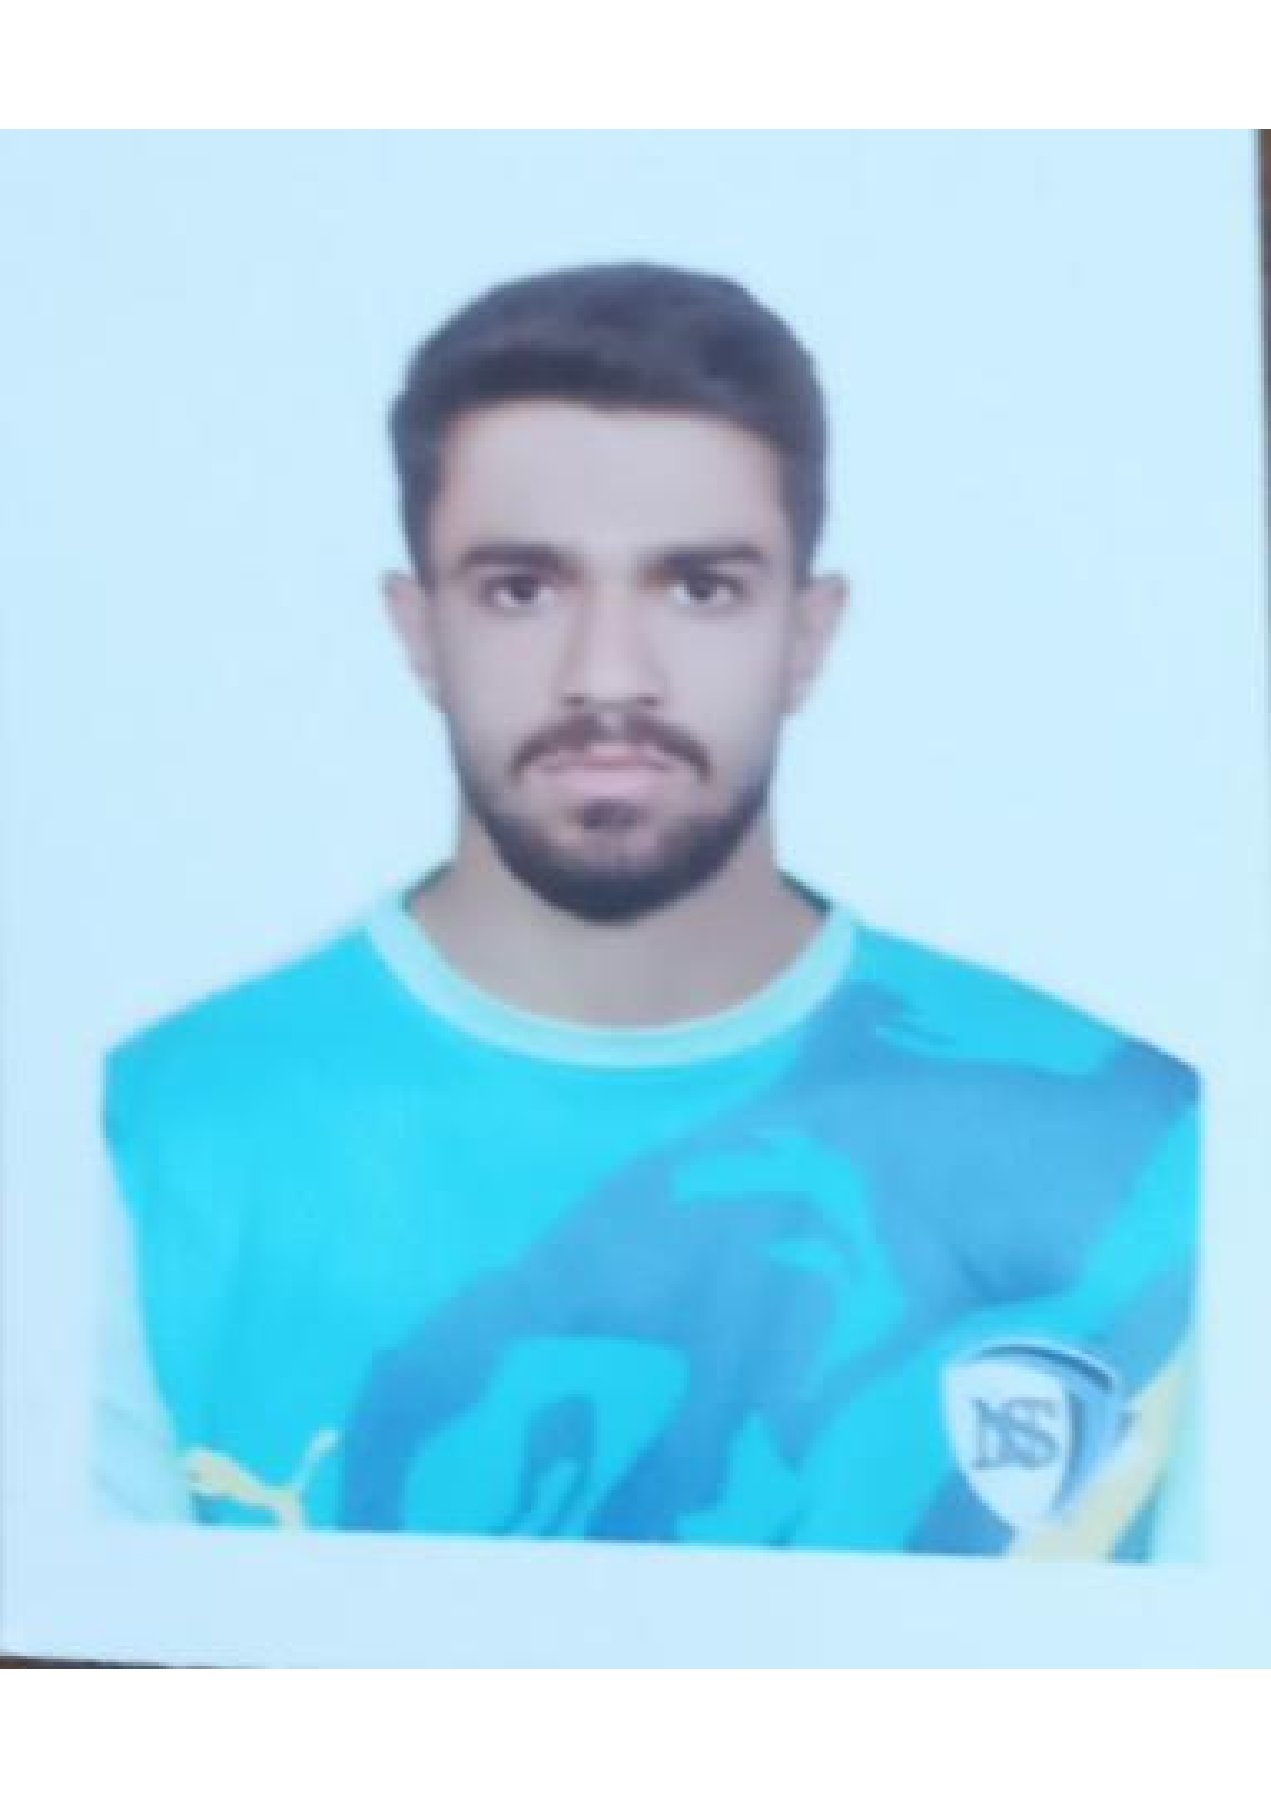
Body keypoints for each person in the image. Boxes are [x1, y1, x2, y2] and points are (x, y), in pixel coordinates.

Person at [96, 263, 1200, 1556]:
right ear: (417, 630)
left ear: (808, 634)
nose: (609, 676)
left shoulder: (1149, 1155)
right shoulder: (143, 1144)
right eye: (523, 588)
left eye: (699, 587)